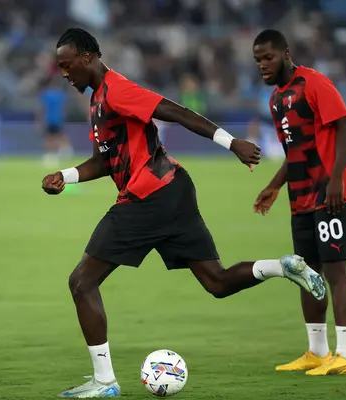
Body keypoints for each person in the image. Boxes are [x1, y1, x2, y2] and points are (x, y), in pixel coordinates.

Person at [41, 28, 327, 398]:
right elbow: (105, 161)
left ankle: (104, 381)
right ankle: (282, 266)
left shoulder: (117, 89)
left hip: (149, 197)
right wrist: (65, 176)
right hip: (173, 190)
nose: (64, 73)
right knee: (217, 282)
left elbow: (174, 111)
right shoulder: (98, 101)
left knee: (82, 282)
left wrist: (230, 143)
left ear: (87, 57)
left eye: (67, 65)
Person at [252, 29, 346, 375]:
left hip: (333, 193)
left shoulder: (314, 83)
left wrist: (335, 180)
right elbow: (294, 152)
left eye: (268, 57)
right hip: (301, 197)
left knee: (335, 272)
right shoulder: (275, 99)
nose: (262, 65)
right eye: (257, 61)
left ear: (285, 54)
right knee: (306, 272)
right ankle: (317, 351)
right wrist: (273, 186)